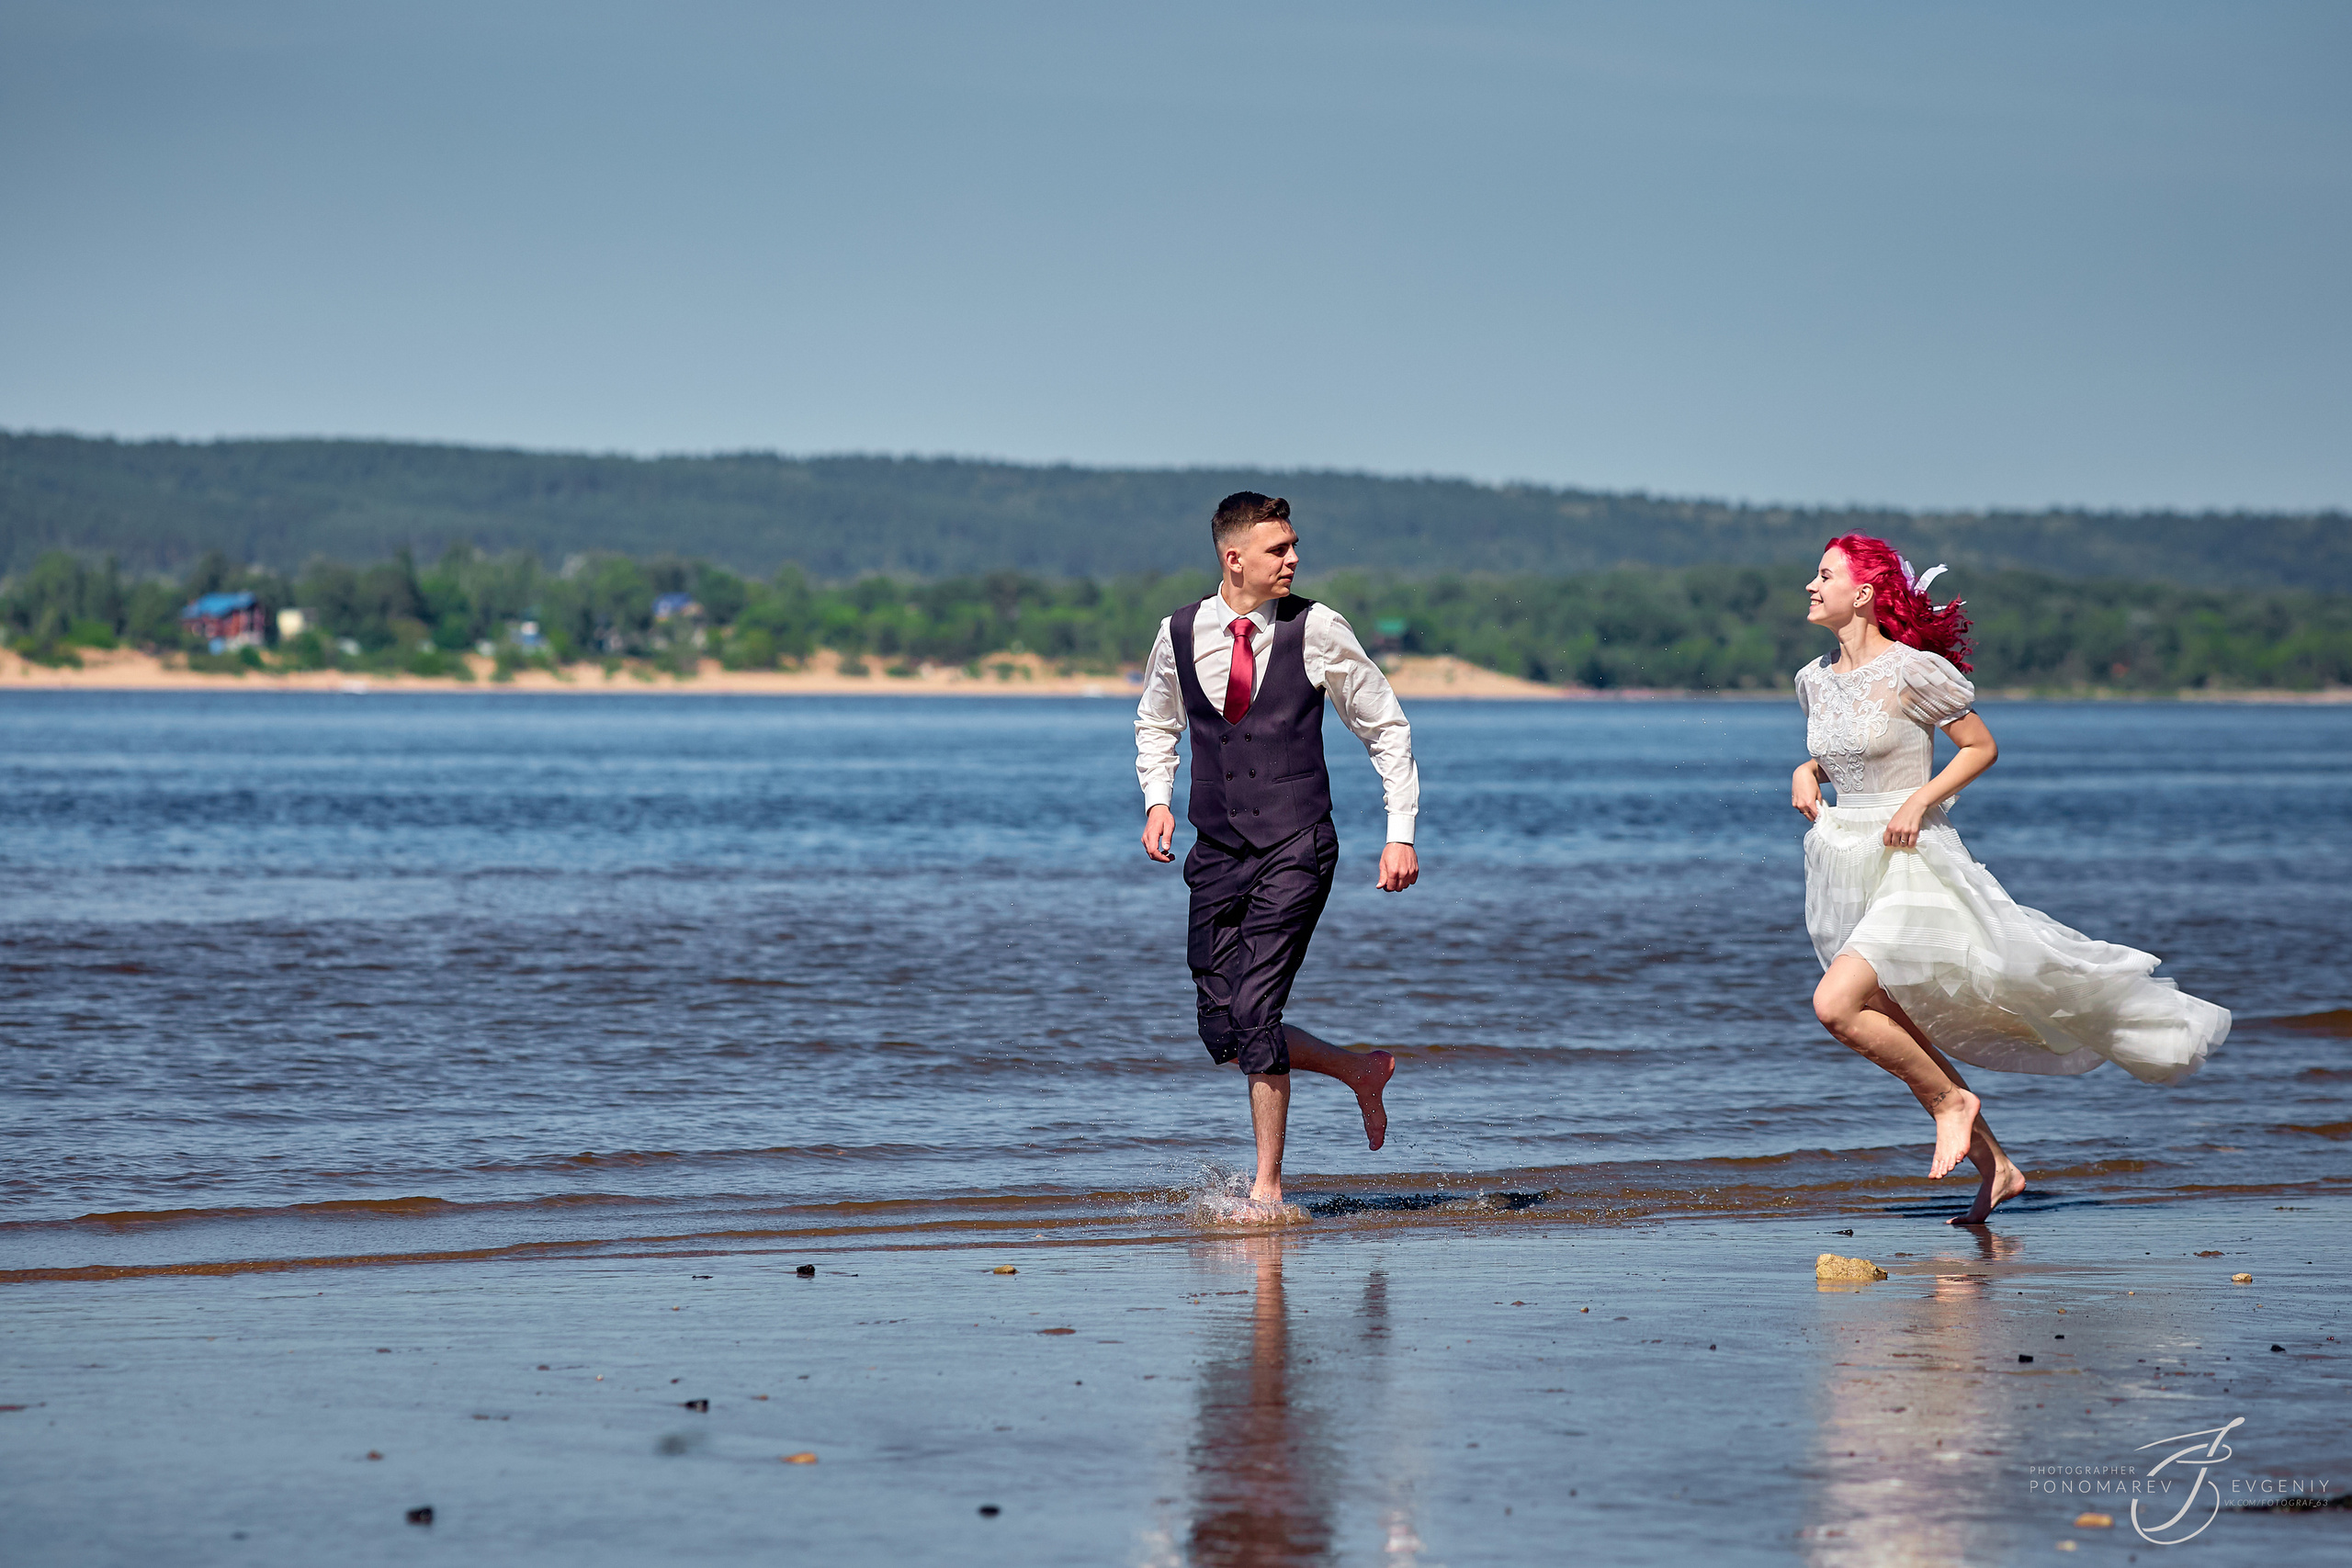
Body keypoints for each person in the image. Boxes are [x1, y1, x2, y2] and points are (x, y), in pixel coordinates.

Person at [1792, 533, 2229, 1224]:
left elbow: (1980, 746)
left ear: (1865, 593)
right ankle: (1999, 1169)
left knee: (1835, 1004)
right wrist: (1807, 769)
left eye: (1824, 575)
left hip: (1912, 860)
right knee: (1888, 1019)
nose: (1811, 587)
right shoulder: (1812, 679)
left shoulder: (1912, 670)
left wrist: (1918, 800)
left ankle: (1953, 1103)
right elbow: (1849, 747)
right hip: (1847, 861)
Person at [1136, 491, 1420, 1218]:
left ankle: (1267, 1189)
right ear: (1234, 558)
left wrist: (1399, 831)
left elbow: (1385, 726)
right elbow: (1156, 722)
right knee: (1224, 1030)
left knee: (1257, 1009)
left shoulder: (1317, 629)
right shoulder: (1178, 632)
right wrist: (1158, 799)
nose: (1294, 558)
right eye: (1278, 548)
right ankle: (1359, 1070)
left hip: (1298, 845)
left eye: (1294, 545)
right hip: (1216, 850)